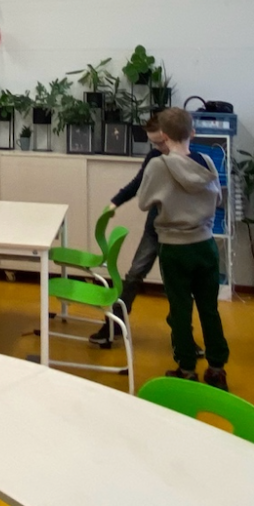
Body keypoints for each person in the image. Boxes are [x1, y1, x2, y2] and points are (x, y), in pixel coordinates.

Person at [89, 115, 202, 357]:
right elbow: (137, 184)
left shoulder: (191, 160)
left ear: (171, 136)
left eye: (161, 142)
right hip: (154, 230)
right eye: (153, 143)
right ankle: (113, 326)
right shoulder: (154, 158)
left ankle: (184, 338)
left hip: (179, 235)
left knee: (178, 287)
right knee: (134, 275)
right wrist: (115, 202)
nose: (158, 147)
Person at [138, 108, 230, 390]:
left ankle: (187, 369)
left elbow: (144, 203)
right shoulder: (206, 161)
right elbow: (217, 199)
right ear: (192, 132)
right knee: (209, 309)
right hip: (205, 245)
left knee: (180, 310)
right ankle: (217, 369)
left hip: (174, 248)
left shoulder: (158, 166)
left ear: (164, 136)